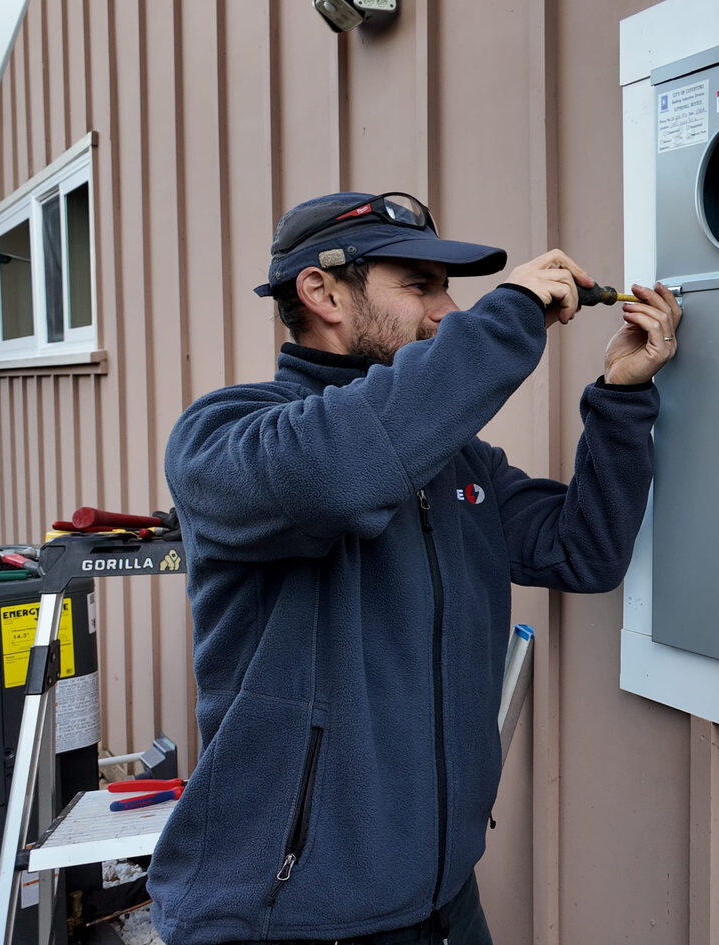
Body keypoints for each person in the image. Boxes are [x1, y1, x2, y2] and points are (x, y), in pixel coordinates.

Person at [149, 191, 681, 945]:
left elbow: (582, 547)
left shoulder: (459, 465)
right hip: (287, 917)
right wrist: (513, 314)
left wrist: (622, 398)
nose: (447, 310)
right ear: (322, 291)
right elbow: (343, 473)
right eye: (420, 285)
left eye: (450, 289)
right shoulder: (225, 437)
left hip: (443, 903)